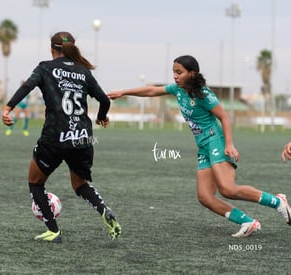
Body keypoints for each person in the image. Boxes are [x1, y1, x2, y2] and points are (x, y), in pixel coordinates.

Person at [108, 55, 291, 237]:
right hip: (203, 146)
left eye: (179, 72)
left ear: (192, 73)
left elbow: (224, 117)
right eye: (173, 72)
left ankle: (277, 201)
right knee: (205, 197)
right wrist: (124, 92)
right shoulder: (178, 90)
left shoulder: (202, 94)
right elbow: (151, 91)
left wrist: (229, 144)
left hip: (215, 141)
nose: (175, 76)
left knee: (227, 189)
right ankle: (247, 222)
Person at [2, 31, 122, 242]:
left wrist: (8, 108)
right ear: (73, 48)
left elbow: (27, 86)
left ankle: (53, 230)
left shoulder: (45, 68)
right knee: (80, 185)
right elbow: (104, 100)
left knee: (35, 183)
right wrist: (102, 117)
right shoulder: (84, 72)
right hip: (83, 138)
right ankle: (104, 210)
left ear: (52, 49)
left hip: (55, 137)